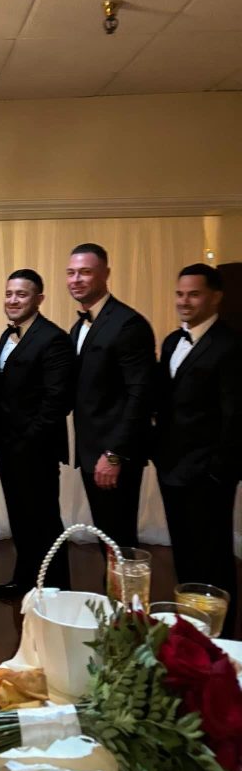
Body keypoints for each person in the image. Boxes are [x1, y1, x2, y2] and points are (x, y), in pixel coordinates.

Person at [154, 263, 242, 638]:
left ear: (215, 296)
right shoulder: (174, 341)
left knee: (216, 559)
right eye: (179, 294)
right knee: (185, 553)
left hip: (208, 473)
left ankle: (224, 639)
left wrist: (218, 471)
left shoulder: (231, 346)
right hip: (172, 469)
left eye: (194, 294)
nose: (184, 302)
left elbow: (235, 417)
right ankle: (192, 631)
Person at [0, 270, 74, 600]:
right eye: (9, 293)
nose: (12, 299)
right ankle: (24, 581)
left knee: (44, 521)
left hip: (36, 449)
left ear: (39, 299)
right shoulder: (6, 336)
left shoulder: (53, 338)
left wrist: (27, 442)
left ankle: (56, 591)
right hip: (8, 447)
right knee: (21, 519)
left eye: (21, 294)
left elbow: (57, 401)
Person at [66, 243, 155, 556]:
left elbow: (140, 395)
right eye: (71, 272)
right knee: (108, 537)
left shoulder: (128, 323)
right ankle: (114, 603)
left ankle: (125, 605)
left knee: (120, 541)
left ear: (105, 274)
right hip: (93, 452)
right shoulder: (80, 326)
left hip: (113, 454)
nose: (76, 279)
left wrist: (115, 453)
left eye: (85, 272)